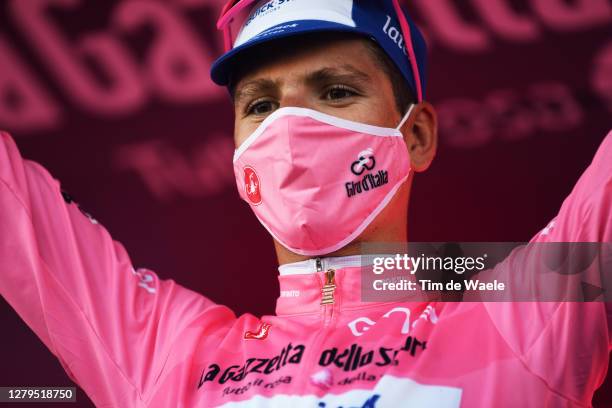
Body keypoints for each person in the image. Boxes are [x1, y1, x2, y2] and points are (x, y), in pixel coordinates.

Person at [1, 0, 610, 406]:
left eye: (336, 91)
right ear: (239, 154)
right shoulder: (167, 355)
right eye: (261, 106)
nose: (290, 128)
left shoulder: (524, 319)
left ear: (416, 135)